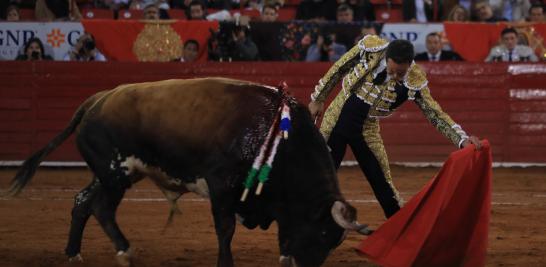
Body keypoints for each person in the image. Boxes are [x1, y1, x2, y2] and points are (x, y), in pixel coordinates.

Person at [308, 35, 481, 218]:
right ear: (386, 57)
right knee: (322, 175)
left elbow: (435, 113)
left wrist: (461, 138)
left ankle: (399, 231)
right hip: (337, 116)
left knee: (383, 182)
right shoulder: (371, 47)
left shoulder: (414, 79)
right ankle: (309, 224)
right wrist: (318, 98)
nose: (396, 76)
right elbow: (339, 67)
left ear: (409, 64)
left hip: (367, 128)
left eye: (401, 73)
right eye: (393, 71)